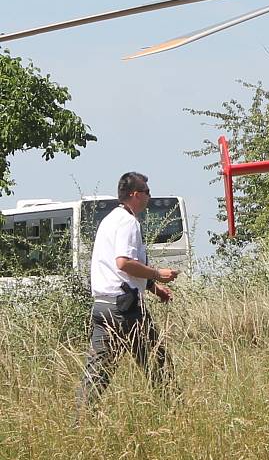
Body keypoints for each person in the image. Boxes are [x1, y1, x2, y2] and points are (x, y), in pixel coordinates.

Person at [76, 172, 180, 411]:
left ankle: (78, 426)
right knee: (159, 365)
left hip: (103, 307)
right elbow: (123, 262)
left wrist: (153, 289)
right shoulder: (128, 222)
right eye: (146, 192)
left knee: (96, 377)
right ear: (134, 195)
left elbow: (118, 271)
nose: (149, 196)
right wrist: (156, 274)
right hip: (125, 310)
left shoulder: (110, 220)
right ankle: (178, 418)